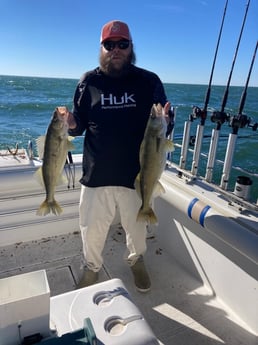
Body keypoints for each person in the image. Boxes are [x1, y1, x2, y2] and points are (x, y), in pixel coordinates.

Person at [67, 20, 173, 292]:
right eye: (109, 44)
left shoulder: (149, 81)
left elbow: (163, 125)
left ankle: (136, 260)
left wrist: (168, 119)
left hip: (136, 176)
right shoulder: (88, 81)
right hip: (96, 173)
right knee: (91, 229)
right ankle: (91, 267)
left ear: (130, 47)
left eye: (122, 44)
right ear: (102, 48)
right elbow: (79, 125)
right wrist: (70, 124)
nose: (116, 50)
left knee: (136, 229)